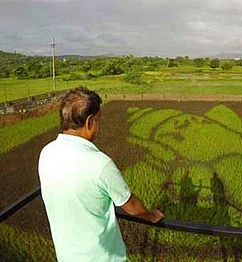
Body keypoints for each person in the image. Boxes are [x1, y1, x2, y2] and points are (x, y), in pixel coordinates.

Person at [38, 87, 163, 262]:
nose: (99, 126)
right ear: (89, 122)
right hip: (102, 257)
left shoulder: (47, 152)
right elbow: (131, 205)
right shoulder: (100, 164)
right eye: (98, 120)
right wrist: (152, 216)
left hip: (67, 256)